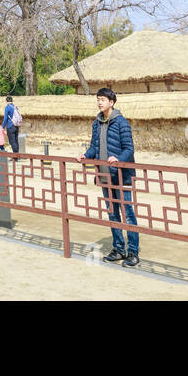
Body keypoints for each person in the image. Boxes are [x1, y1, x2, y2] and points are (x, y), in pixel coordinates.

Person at [77, 87, 139, 267]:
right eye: (98, 99)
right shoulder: (96, 123)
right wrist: (85, 155)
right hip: (104, 175)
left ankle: (133, 252)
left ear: (111, 102)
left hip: (121, 176)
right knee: (112, 213)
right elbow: (94, 147)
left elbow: (129, 148)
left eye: (103, 99)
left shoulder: (121, 122)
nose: (99, 102)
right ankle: (118, 248)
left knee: (128, 214)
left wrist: (118, 158)